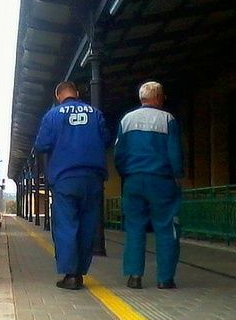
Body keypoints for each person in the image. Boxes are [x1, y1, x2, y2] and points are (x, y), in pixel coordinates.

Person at [34, 81, 112, 290]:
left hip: (65, 179)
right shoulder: (95, 113)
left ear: (57, 96)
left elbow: (41, 145)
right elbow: (106, 139)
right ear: (76, 93)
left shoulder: (52, 116)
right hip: (93, 178)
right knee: (88, 226)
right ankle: (81, 273)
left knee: (67, 225)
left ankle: (70, 275)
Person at [114, 81, 183, 289]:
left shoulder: (127, 120)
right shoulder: (167, 119)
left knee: (135, 227)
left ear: (142, 98)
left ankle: (134, 276)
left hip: (133, 181)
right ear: (159, 97)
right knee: (166, 227)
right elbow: (174, 152)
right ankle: (165, 279)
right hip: (161, 182)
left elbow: (119, 154)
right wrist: (178, 175)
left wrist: (126, 173)